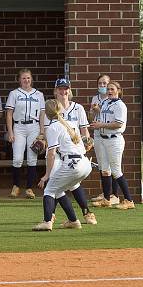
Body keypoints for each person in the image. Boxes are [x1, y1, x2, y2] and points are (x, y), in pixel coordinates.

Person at [33, 100, 93, 231]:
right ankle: (73, 220)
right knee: (59, 190)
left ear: (47, 115)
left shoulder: (52, 127)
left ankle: (47, 221)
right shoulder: (70, 124)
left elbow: (51, 154)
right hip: (85, 163)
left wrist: (46, 175)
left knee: (49, 190)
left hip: (72, 163)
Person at [48, 78, 96, 224]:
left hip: (73, 150)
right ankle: (51, 215)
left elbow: (84, 130)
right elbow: (46, 130)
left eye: (66, 88)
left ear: (70, 90)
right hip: (57, 151)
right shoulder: (51, 107)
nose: (64, 91)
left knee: (71, 184)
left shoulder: (78, 108)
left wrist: (87, 142)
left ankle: (86, 213)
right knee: (56, 182)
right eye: (60, 88)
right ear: (55, 90)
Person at [91, 82, 135, 210]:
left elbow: (118, 124)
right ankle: (106, 199)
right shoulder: (105, 102)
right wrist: (97, 110)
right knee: (105, 170)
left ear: (118, 91)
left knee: (116, 171)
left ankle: (129, 200)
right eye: (108, 89)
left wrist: (101, 125)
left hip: (114, 140)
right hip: (103, 139)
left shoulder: (120, 105)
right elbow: (103, 115)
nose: (109, 91)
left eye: (112, 89)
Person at [5, 69, 45, 199]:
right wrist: (10, 131)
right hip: (19, 127)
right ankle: (16, 186)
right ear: (19, 80)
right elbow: (9, 113)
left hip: (34, 126)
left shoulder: (38, 94)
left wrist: (42, 131)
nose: (26, 80)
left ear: (31, 79)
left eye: (28, 78)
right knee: (17, 158)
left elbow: (42, 114)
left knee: (32, 159)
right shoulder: (14, 93)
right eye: (23, 78)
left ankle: (29, 188)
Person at [89, 74, 119, 204]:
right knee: (102, 165)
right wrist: (93, 112)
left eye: (105, 84)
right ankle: (106, 193)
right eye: (100, 83)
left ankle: (114, 194)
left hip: (110, 134)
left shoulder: (112, 99)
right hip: (97, 133)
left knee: (112, 166)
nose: (102, 86)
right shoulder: (95, 98)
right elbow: (91, 118)